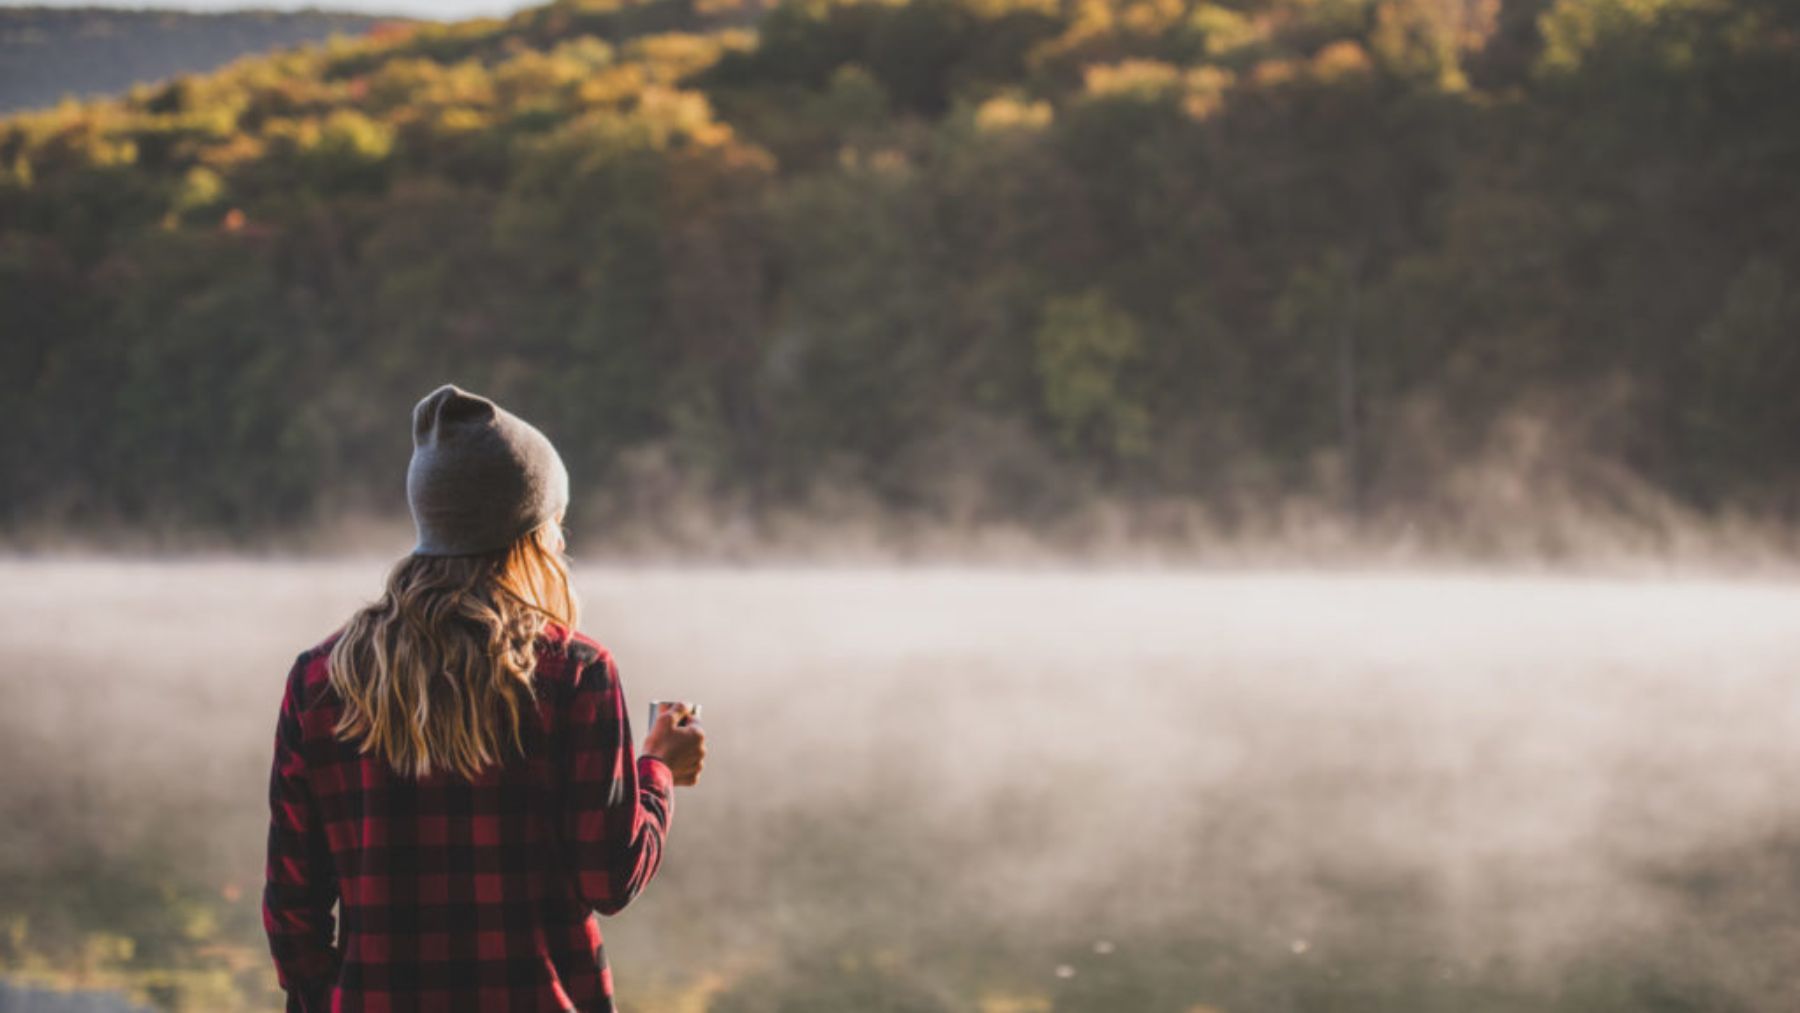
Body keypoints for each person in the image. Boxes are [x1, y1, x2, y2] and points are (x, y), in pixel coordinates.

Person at [263, 383, 706, 1013]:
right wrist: (658, 767)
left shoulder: (321, 680)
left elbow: (293, 912)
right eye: (555, 522)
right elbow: (611, 877)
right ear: (529, 532)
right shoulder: (575, 674)